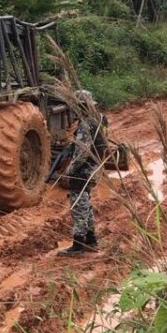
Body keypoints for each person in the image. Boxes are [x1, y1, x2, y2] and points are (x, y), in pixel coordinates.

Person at [58, 90, 107, 256]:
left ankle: (77, 246)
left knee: (78, 207)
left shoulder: (86, 124)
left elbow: (81, 153)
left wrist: (68, 171)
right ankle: (91, 240)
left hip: (83, 171)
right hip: (93, 169)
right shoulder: (98, 120)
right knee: (86, 205)